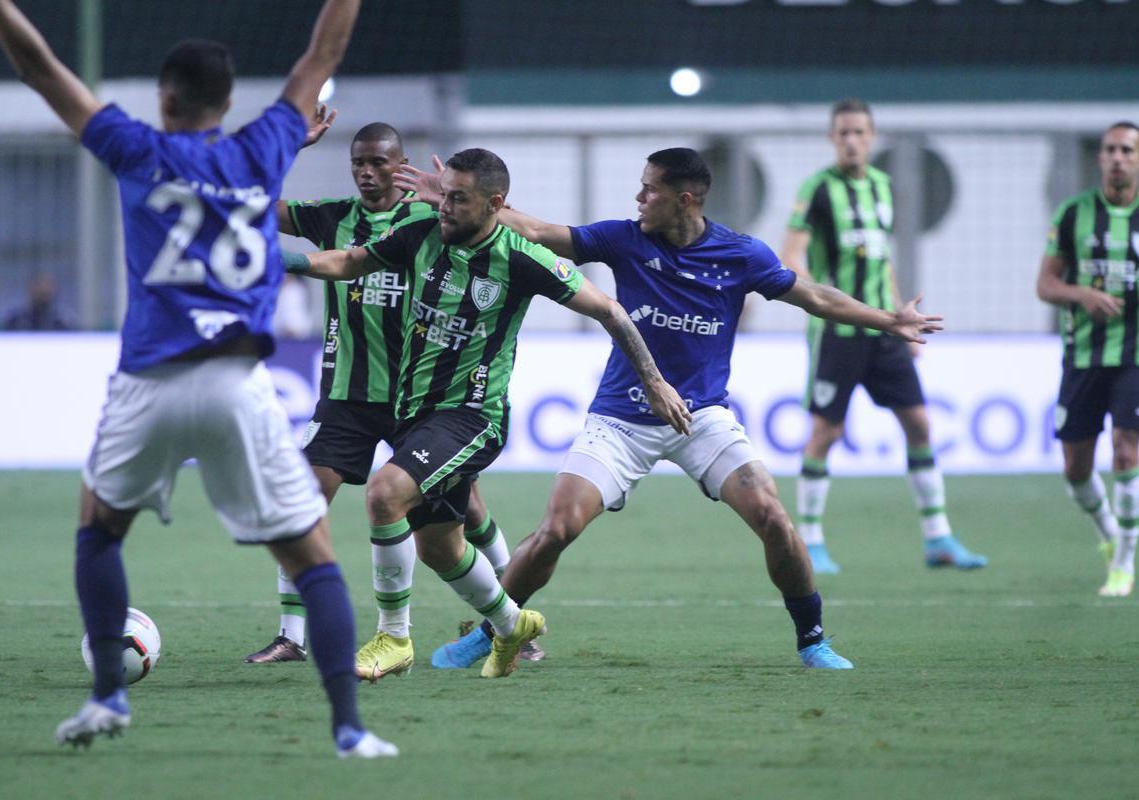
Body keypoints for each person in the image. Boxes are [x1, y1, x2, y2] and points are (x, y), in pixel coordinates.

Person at [0, 0, 397, 758]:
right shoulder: (265, 146)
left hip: (149, 381)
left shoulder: (133, 147)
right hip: (239, 383)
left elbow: (39, 68)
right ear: (229, 104)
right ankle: (349, 728)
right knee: (312, 558)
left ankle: (108, 697)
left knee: (100, 531)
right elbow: (320, 53)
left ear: (164, 100)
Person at [419, 147, 943, 672]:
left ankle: (813, 640)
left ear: (684, 200)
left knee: (774, 517)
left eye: (650, 190)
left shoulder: (741, 254)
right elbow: (536, 230)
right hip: (620, 420)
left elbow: (817, 297)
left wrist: (888, 320)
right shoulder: (624, 238)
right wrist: (459, 201)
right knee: (557, 528)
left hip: (701, 419)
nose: (639, 197)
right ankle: (492, 633)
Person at [288, 147, 692, 678]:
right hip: (415, 412)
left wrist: (654, 379)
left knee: (385, 493)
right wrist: (285, 261)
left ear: (495, 204)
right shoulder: (422, 235)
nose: (444, 208)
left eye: (458, 199)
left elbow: (609, 308)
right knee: (439, 547)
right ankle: (511, 622)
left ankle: (393, 639)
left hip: (472, 416)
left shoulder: (521, 257)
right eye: (444, 196)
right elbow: (349, 260)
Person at [246, 123, 540, 676]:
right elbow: (259, 207)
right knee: (302, 500)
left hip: (421, 397)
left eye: (380, 163)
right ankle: (292, 635)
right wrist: (285, 145)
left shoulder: (434, 220)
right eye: (360, 162)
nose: (368, 171)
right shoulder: (333, 217)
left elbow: (500, 223)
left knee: (462, 514)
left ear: (403, 167)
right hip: (349, 394)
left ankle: (513, 616)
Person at [780, 98, 987, 575]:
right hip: (838, 331)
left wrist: (903, 322)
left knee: (919, 424)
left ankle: (938, 537)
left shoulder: (883, 187)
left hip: (885, 329)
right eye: (843, 133)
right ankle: (809, 541)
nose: (852, 140)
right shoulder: (817, 189)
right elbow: (791, 256)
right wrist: (822, 300)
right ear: (832, 139)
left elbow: (882, 259)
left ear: (871, 138)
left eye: (859, 132)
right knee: (825, 431)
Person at [1037, 121, 1139, 598]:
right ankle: (1110, 534)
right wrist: (1081, 294)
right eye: (1111, 149)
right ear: (1100, 158)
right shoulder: (1075, 215)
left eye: (1127, 150)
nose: (1118, 158)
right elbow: (1046, 285)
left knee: (1125, 449)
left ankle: (1123, 563)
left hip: (1134, 357)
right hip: (1082, 356)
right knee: (1076, 468)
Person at [4, 272, 77, 330]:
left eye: (47, 292)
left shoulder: (62, 322)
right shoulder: (17, 321)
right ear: (31, 289)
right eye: (40, 292)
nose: (44, 290)